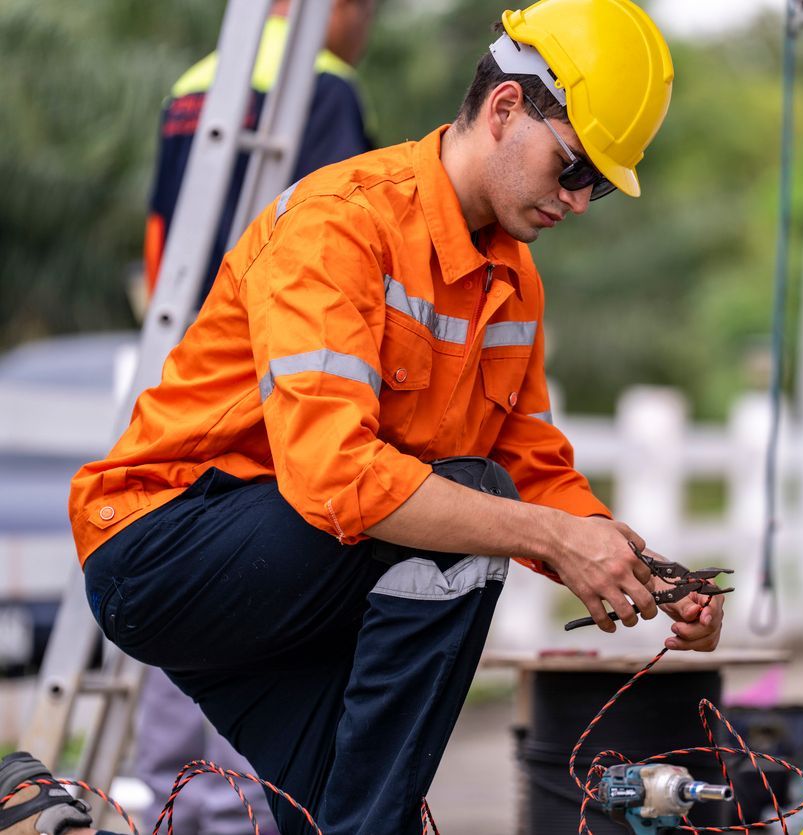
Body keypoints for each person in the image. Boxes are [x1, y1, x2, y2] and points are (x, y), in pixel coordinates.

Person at [6, 2, 723, 834]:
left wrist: (643, 569)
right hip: (163, 545)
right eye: (573, 167)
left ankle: (31, 809)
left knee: (355, 812)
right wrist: (549, 537)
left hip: (302, 564)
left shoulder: (513, 280)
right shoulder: (342, 223)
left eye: (597, 183)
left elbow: (534, 468)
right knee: (476, 508)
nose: (581, 201)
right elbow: (337, 475)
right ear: (504, 110)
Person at [135, 3, 376, 833]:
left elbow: (161, 241)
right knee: (260, 584)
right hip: (270, 365)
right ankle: (240, 809)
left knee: (189, 573)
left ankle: (170, 794)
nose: (366, 26)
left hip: (191, 368)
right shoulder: (327, 85)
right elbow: (340, 242)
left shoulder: (195, 84)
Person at [144, 0, 376, 307]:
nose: (364, 34)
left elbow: (158, 226)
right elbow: (341, 220)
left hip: (198, 322)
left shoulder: (189, 86)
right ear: (342, 6)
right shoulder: (329, 83)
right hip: (280, 320)